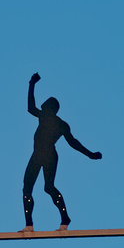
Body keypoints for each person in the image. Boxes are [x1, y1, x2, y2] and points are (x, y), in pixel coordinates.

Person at [23, 72, 102, 230]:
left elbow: (73, 142)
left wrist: (32, 84)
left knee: (38, 188)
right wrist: (90, 154)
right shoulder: (56, 121)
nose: (43, 106)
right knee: (37, 188)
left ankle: (59, 219)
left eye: (46, 105)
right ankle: (32, 224)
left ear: (50, 108)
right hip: (43, 155)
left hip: (45, 155)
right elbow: (73, 142)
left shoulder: (47, 118)